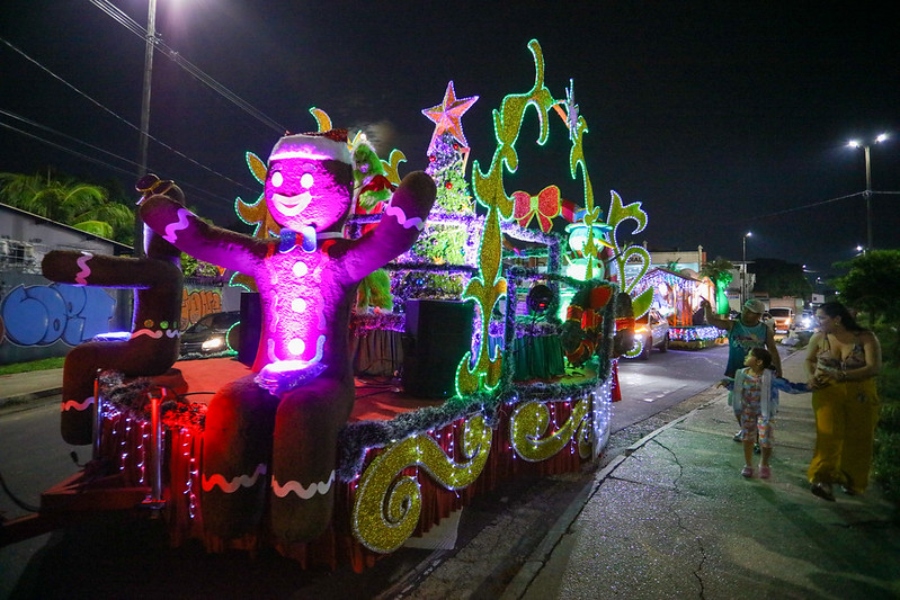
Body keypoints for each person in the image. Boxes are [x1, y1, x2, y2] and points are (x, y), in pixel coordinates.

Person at [805, 301, 882, 501]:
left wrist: (844, 376)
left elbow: (873, 368)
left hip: (860, 394)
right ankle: (824, 479)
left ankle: (853, 480)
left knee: (859, 436)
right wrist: (811, 377)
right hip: (827, 392)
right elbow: (809, 360)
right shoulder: (819, 337)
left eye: (822, 318)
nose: (818, 321)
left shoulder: (865, 338)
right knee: (828, 435)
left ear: (837, 319)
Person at [702, 297, 783, 443]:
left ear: (758, 315)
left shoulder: (764, 330)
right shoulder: (733, 325)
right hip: (736, 372)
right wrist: (707, 308)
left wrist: (779, 370)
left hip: (757, 374)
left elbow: (772, 350)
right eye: (745, 309)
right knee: (737, 404)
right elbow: (713, 321)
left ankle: (757, 434)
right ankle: (746, 430)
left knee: (756, 406)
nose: (745, 313)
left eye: (750, 312)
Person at [720, 347, 807, 479]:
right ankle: (748, 465)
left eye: (749, 355)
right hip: (747, 412)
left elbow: (790, 387)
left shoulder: (769, 377)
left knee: (766, 438)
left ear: (759, 362)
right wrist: (726, 383)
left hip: (765, 412)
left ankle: (764, 464)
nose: (746, 357)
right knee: (747, 438)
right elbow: (737, 388)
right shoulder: (742, 373)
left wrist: (810, 387)